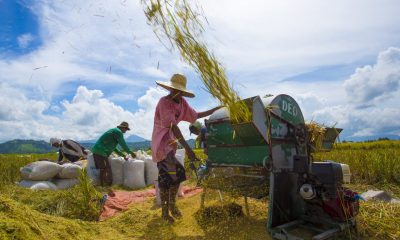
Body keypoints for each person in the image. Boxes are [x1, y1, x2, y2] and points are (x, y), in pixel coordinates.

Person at [152, 73, 221, 223]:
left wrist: (214, 110)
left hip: (170, 145)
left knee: (173, 177)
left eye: (179, 90)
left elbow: (195, 115)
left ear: (183, 92)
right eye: (174, 90)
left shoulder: (182, 102)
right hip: (162, 144)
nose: (176, 93)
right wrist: (188, 150)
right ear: (170, 89)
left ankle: (171, 206)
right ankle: (166, 211)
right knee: (170, 177)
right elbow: (173, 127)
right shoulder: (164, 102)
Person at [92, 121, 136, 186]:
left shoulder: (114, 131)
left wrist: (123, 155)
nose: (126, 131)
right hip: (100, 151)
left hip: (98, 151)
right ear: (123, 128)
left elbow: (115, 149)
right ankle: (104, 186)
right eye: (126, 129)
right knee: (105, 168)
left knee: (103, 168)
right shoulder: (118, 132)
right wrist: (130, 152)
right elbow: (123, 144)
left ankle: (103, 185)